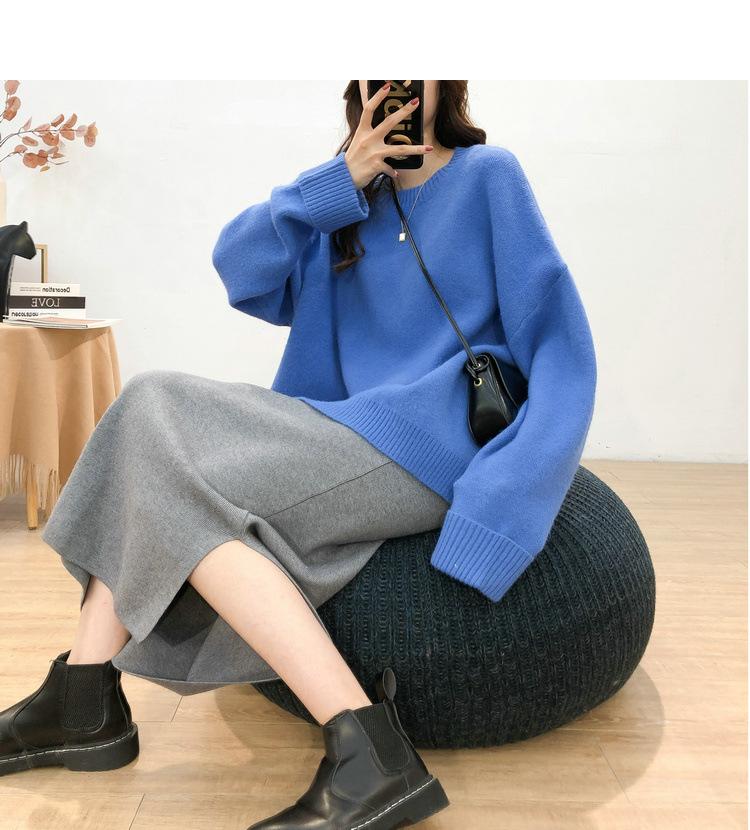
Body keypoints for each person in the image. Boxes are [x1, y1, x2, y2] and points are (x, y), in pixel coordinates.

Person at [0, 80, 597, 829]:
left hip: (432, 445)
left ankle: (96, 706)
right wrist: (337, 182)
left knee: (154, 417)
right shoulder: (342, 197)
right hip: (333, 430)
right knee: (148, 420)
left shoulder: (489, 177)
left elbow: (562, 349)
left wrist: (502, 508)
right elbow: (239, 268)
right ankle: (88, 701)